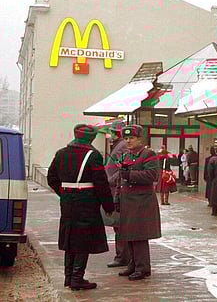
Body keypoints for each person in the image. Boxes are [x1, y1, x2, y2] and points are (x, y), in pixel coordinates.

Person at [47, 124, 114, 291]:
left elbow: (51, 178)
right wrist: (108, 205)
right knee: (83, 240)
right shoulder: (93, 155)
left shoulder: (61, 153)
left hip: (67, 201)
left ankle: (68, 278)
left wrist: (64, 193)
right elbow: (101, 183)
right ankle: (77, 278)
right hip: (87, 202)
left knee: (69, 237)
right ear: (90, 138)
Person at [117, 125, 161, 281]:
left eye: (131, 138)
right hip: (128, 200)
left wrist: (130, 175)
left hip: (142, 201)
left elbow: (152, 175)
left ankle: (143, 267)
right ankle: (133, 264)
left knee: (140, 235)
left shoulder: (148, 154)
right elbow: (120, 178)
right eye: (126, 138)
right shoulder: (125, 156)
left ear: (139, 138)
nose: (128, 141)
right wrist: (117, 196)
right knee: (129, 234)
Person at [104, 119, 131, 268]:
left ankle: (122, 256)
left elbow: (123, 168)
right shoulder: (119, 146)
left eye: (112, 132)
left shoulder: (122, 147)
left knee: (119, 224)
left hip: (117, 188)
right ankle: (122, 255)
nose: (110, 135)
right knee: (117, 224)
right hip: (115, 187)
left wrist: (110, 180)